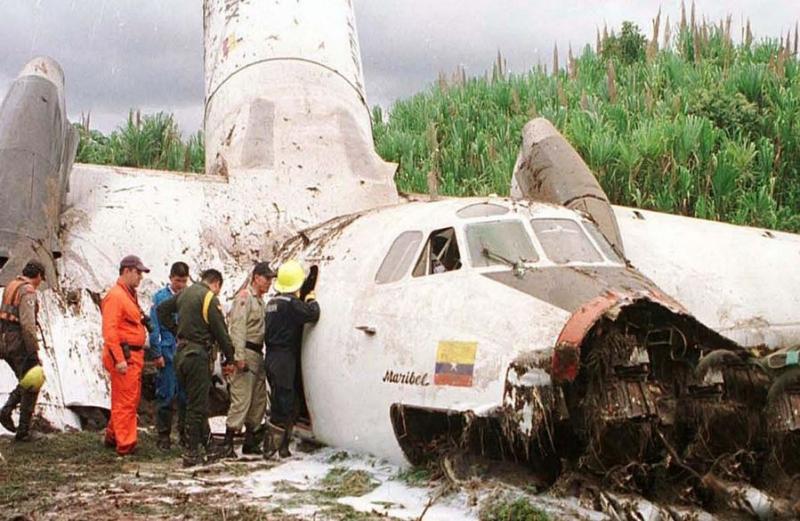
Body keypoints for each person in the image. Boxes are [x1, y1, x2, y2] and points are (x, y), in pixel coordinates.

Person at [157, 268, 236, 467]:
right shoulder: (209, 298)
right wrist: (230, 357)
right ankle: (191, 452)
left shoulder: (185, 293)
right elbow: (221, 332)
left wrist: (177, 331)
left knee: (194, 401)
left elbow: (162, 310)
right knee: (197, 406)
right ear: (216, 284)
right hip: (197, 356)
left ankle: (208, 446)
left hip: (181, 354)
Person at [263, 260, 320, 459]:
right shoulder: (291, 304)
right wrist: (311, 299)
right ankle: (279, 448)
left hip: (271, 356)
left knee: (278, 402)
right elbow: (313, 314)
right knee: (285, 403)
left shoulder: (272, 303)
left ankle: (273, 446)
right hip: (284, 358)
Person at [222, 262, 276, 457]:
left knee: (258, 400)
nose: (269, 282)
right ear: (256, 277)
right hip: (246, 351)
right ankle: (228, 442)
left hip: (257, 353)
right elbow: (238, 328)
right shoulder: (245, 298)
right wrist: (239, 357)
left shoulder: (260, 301)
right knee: (242, 398)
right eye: (266, 278)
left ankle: (250, 440)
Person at [101, 255, 151, 455]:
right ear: (127, 271)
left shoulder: (127, 295)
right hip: (125, 356)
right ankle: (126, 445)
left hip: (133, 356)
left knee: (128, 398)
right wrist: (119, 359)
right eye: (138, 272)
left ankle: (113, 435)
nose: (141, 277)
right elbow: (109, 331)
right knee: (126, 401)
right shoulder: (116, 296)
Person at [0, 260, 47, 441]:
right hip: (19, 342)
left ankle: (7, 410)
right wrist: (33, 351)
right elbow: (27, 325)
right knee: (33, 382)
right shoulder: (28, 291)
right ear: (38, 275)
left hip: (5, 339)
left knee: (25, 380)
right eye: (41, 278)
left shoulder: (12, 285)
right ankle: (23, 431)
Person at [148, 261, 190, 450]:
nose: (180, 285)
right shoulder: (160, 298)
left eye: (184, 281)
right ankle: (163, 435)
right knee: (166, 394)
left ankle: (184, 434)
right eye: (177, 280)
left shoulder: (189, 297)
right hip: (167, 352)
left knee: (185, 396)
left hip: (185, 353)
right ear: (171, 278)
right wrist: (156, 353)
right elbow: (154, 327)